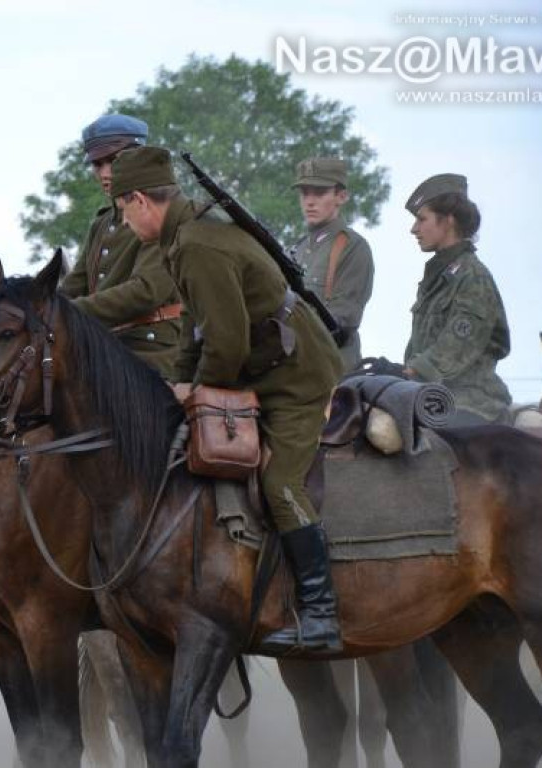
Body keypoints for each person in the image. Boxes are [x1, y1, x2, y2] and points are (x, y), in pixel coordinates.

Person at [110, 146, 344, 653]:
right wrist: (173, 385)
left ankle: (321, 613)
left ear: (139, 201)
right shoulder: (185, 239)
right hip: (265, 367)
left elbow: (229, 342)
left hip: (297, 374)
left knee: (280, 481)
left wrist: (198, 390)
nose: (123, 223)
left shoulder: (197, 245)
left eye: (121, 210)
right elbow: (199, 329)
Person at [61, 114, 181, 377]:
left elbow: (147, 291)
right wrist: (36, 305)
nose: (104, 173)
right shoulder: (102, 223)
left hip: (154, 350)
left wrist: (67, 312)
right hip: (106, 346)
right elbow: (74, 285)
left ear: (138, 156)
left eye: (113, 161)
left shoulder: (160, 213)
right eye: (97, 164)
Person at [403, 173, 511, 426]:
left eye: (421, 219)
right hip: (434, 397)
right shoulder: (441, 276)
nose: (413, 229)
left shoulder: (472, 277)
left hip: (470, 403)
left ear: (448, 220)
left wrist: (409, 371)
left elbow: (456, 346)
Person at [290, 157, 374, 372]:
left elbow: (342, 320)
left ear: (341, 196)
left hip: (330, 372)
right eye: (304, 193)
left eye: (319, 193)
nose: (310, 201)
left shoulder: (353, 247)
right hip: (293, 366)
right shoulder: (297, 249)